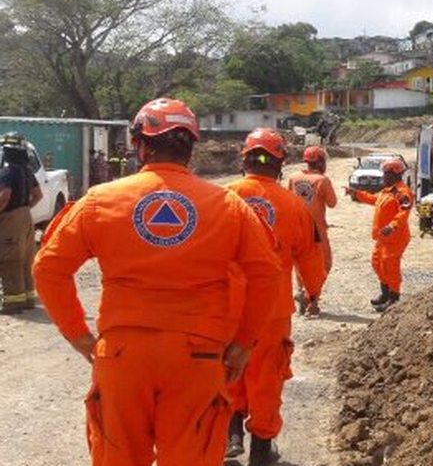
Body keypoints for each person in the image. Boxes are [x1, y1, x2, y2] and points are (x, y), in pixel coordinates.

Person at [32, 98, 282, 466]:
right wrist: (243, 343)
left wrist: (78, 334)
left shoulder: (101, 200)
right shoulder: (227, 206)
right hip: (198, 359)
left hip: (122, 356)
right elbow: (267, 275)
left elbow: (48, 268)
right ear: (191, 147)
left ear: (140, 144)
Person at [224, 128, 327, 465]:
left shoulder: (222, 198)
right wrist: (312, 293)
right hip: (271, 312)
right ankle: (261, 451)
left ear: (245, 160)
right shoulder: (294, 207)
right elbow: (310, 258)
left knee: (228, 370)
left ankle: (231, 434)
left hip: (227, 308)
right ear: (280, 163)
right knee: (267, 377)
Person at [344, 158, 414, 313]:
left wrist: (392, 225)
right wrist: (356, 194)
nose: (384, 176)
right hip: (383, 238)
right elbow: (374, 199)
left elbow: (404, 212)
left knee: (390, 265)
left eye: (386, 174)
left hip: (395, 237)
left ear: (395, 174)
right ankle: (385, 293)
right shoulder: (387, 190)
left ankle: (394, 298)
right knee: (377, 263)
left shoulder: (402, 192)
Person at [288, 146, 337, 314]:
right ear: (320, 161)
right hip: (316, 231)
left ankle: (301, 291)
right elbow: (332, 203)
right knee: (324, 264)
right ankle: (312, 299)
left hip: (295, 229)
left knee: (300, 264)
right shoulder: (322, 180)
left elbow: (288, 199)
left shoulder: (294, 177)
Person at [0, 132, 43, 314]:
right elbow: (38, 195)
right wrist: (24, 208)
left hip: (11, 218)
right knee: (25, 260)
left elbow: (4, 197)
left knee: (10, 259)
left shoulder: (8, 170)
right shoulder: (26, 170)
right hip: (26, 216)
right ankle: (28, 299)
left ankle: (13, 302)